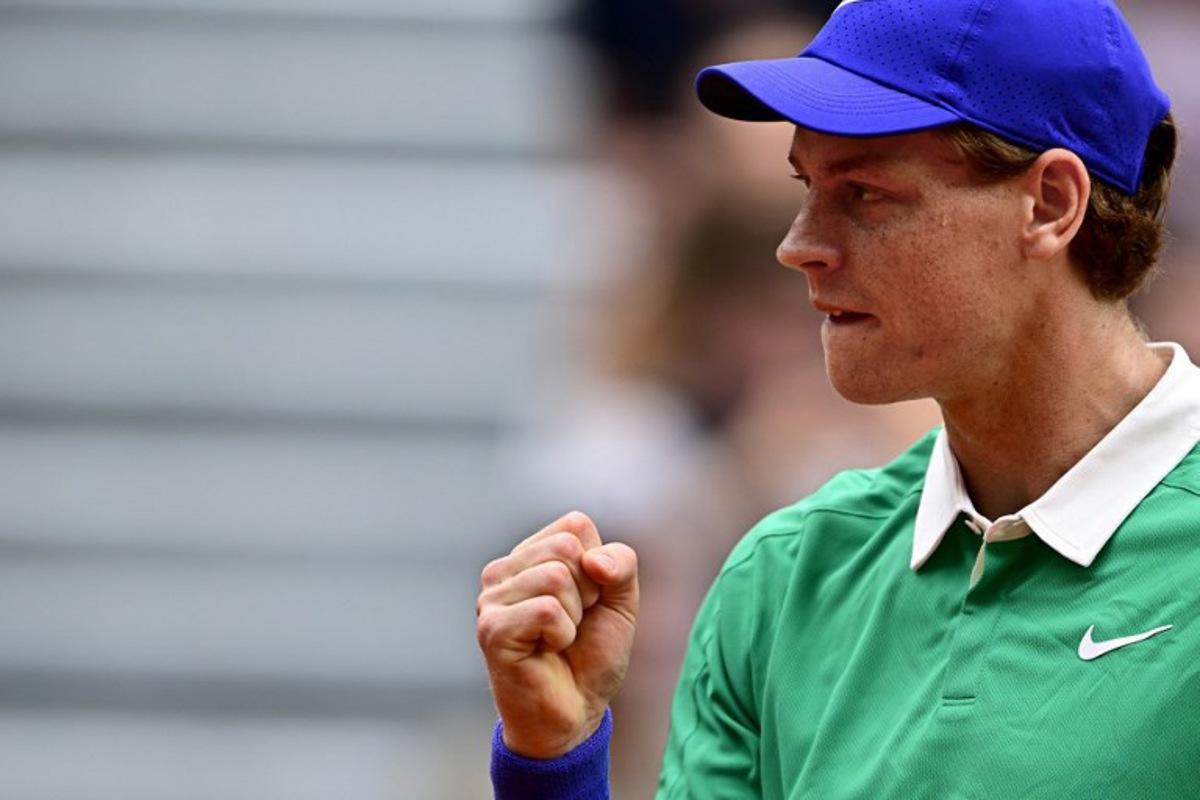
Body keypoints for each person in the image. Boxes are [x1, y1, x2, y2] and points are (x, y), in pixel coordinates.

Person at [475, 0, 1197, 796]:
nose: (798, 245)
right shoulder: (783, 577)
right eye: (806, 187)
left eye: (865, 196)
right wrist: (557, 762)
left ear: (1051, 203)